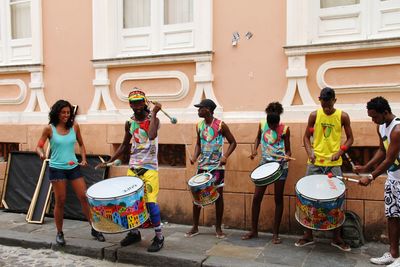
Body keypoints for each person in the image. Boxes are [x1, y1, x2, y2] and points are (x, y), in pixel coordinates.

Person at [97, 89, 164, 252]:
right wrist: (109, 161)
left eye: (140, 102)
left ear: (145, 102)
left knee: (150, 204)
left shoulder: (153, 119)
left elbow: (152, 135)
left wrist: (154, 113)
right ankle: (134, 233)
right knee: (129, 204)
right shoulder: (129, 123)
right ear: (130, 105)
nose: (137, 105)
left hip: (149, 169)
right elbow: (124, 144)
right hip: (133, 168)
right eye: (133, 103)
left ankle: (159, 236)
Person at [36, 100, 105, 246]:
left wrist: (84, 159)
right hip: (57, 168)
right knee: (60, 200)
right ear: (57, 113)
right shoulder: (49, 129)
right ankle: (59, 232)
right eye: (63, 112)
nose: (66, 115)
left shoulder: (75, 127)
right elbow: (39, 145)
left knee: (84, 197)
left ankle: (94, 228)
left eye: (68, 112)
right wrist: (41, 153)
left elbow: (81, 144)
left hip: (73, 167)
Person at [295, 87, 354, 251]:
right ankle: (308, 235)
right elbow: (306, 137)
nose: (326, 108)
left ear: (335, 100)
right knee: (308, 197)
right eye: (323, 105)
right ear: (319, 101)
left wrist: (340, 151)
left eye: (329, 105)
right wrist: (310, 152)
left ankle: (336, 237)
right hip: (315, 163)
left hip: (334, 164)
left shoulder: (342, 116)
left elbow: (350, 139)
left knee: (337, 198)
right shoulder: (314, 115)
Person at [356, 97, 400, 266]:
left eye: (375, 117)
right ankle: (393, 254)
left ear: (385, 112)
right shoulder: (380, 126)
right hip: (393, 180)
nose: (373, 120)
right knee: (392, 216)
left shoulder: (397, 129)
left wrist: (371, 176)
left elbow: (389, 159)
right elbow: (382, 150)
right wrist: (366, 166)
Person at [185, 99, 237, 239]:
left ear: (208, 109)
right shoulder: (199, 125)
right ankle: (195, 227)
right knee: (197, 196)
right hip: (202, 166)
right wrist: (195, 157)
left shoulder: (220, 125)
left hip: (217, 167)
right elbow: (198, 144)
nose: (198, 110)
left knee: (218, 196)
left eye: (200, 108)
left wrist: (225, 156)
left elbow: (233, 142)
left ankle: (218, 228)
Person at [241, 102, 291, 244]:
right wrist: (255, 149)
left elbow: (288, 150)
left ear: (278, 121)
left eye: (275, 125)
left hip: (280, 166)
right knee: (257, 198)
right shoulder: (262, 125)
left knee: (278, 199)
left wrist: (287, 156)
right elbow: (258, 137)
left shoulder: (285, 129)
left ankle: (275, 234)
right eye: (270, 125)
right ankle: (254, 230)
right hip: (264, 164)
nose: (272, 127)